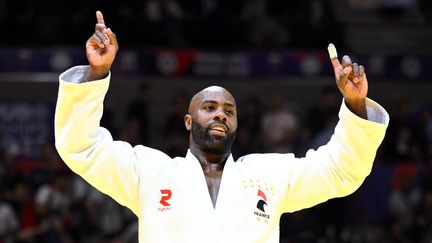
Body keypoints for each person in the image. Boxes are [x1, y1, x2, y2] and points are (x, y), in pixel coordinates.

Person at [54, 11, 389, 242]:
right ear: (188, 121)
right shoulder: (150, 172)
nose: (220, 115)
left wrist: (356, 105)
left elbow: (340, 172)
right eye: (209, 108)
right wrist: (97, 72)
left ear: (237, 124)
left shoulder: (269, 175)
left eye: (229, 110)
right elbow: (81, 146)